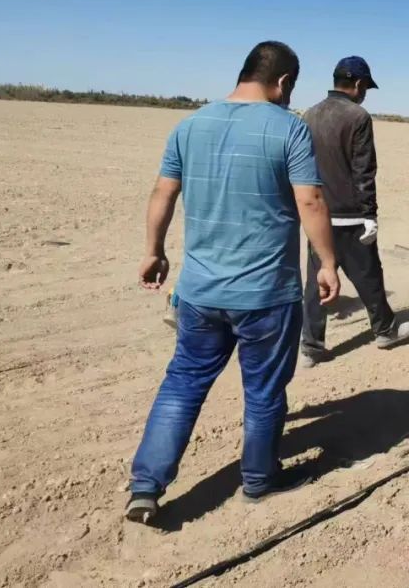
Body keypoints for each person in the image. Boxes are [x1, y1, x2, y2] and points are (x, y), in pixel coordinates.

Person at [125, 41, 341, 524]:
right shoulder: (290, 129)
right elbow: (309, 202)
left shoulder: (191, 124)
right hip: (266, 295)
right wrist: (327, 262)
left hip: (199, 292)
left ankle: (145, 487)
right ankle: (258, 483)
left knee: (182, 384)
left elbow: (164, 191)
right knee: (263, 391)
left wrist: (153, 251)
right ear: (283, 82)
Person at [299, 56, 409, 366]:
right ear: (359, 84)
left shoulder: (310, 114)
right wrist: (370, 215)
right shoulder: (358, 116)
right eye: (366, 88)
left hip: (317, 215)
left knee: (316, 281)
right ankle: (385, 330)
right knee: (368, 275)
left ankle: (311, 346)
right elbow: (364, 171)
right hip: (350, 215)